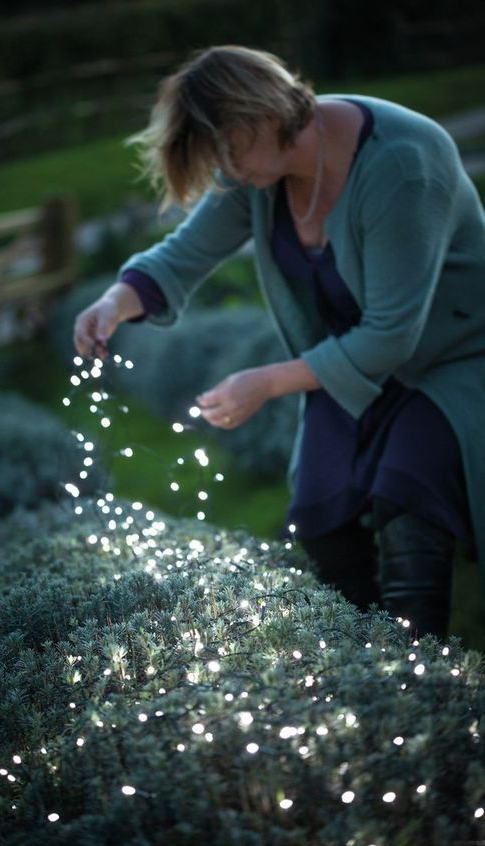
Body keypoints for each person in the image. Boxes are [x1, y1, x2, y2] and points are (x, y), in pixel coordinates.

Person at [74, 45, 485, 640]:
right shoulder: (256, 170)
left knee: (409, 519)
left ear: (263, 113)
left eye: (229, 150)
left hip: (449, 361)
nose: (228, 170)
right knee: (321, 526)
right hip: (347, 366)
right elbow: (185, 253)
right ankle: (369, 676)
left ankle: (418, 687)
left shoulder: (402, 164)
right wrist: (115, 301)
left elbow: (394, 335)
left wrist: (263, 382)